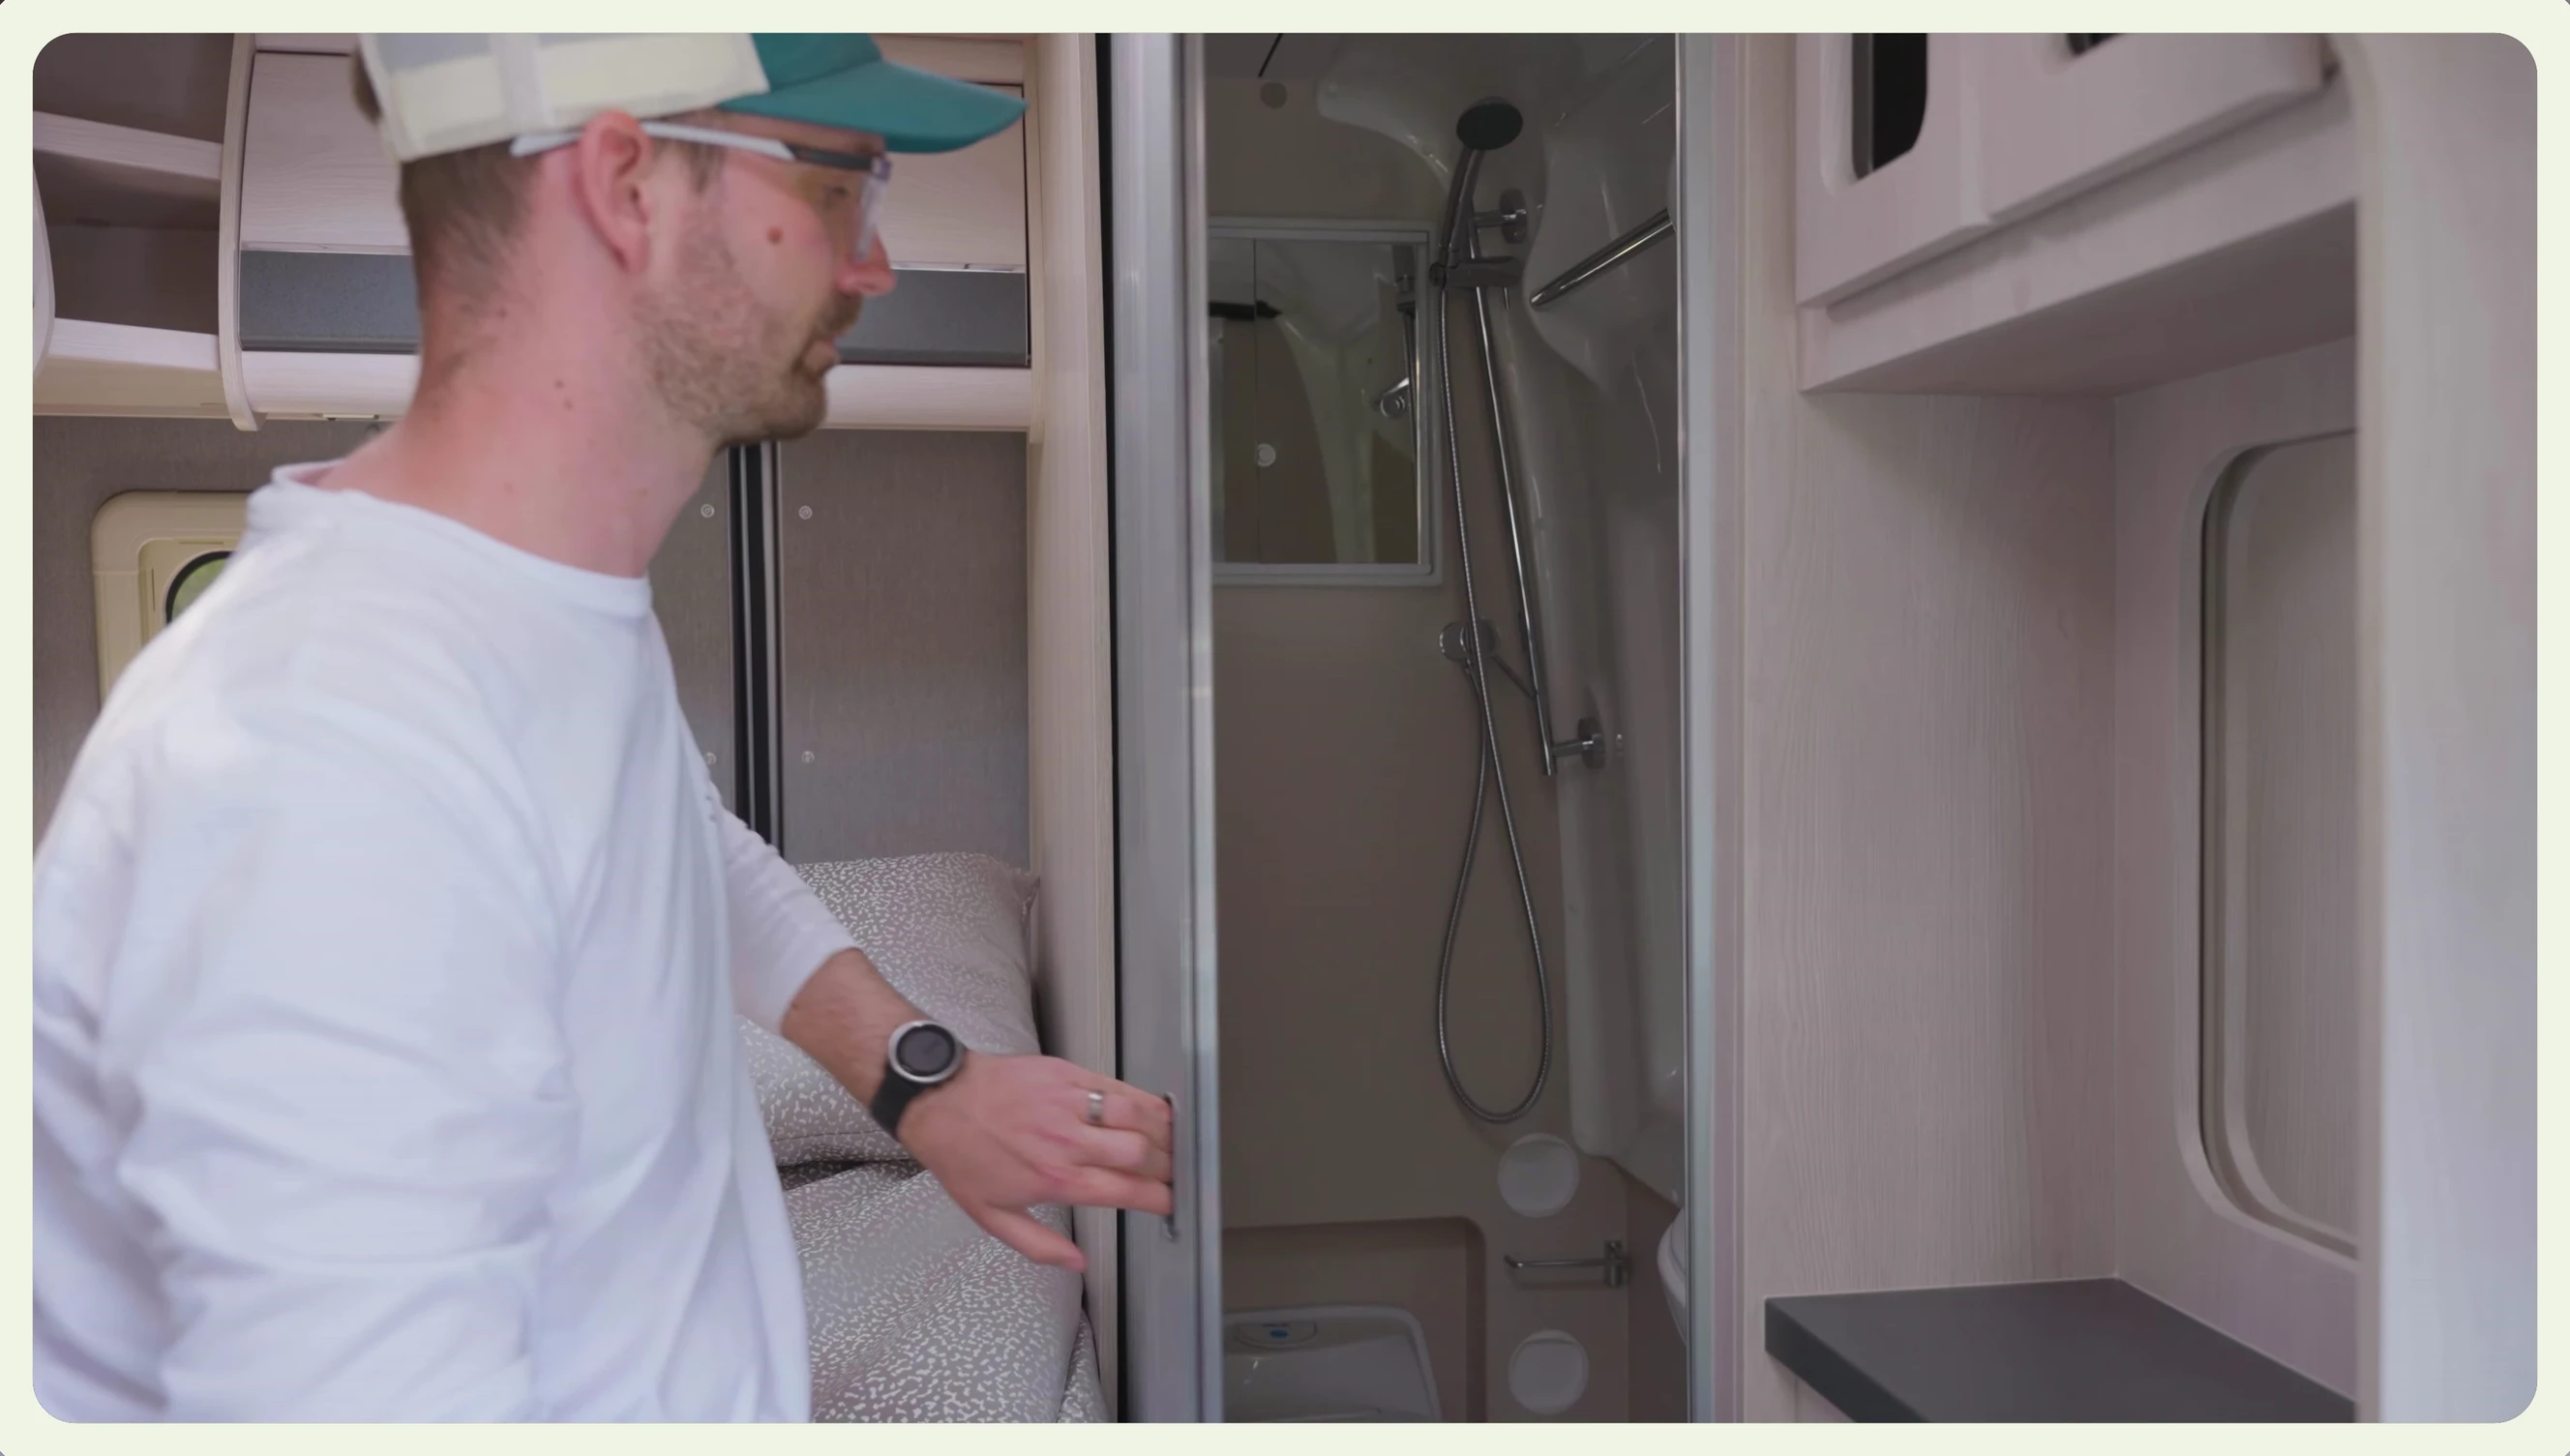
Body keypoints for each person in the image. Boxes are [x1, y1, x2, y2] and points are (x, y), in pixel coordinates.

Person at [32, 33, 1171, 1421]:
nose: (871, 264)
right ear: (627, 180)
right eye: (839, 189)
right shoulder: (322, 753)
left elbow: (686, 848)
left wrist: (922, 1083)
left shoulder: (540, 607)